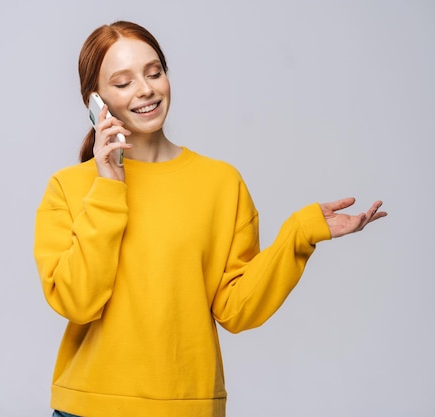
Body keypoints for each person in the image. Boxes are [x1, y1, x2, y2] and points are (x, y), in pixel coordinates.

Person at [33, 21, 387, 417]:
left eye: (154, 72)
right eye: (123, 82)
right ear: (95, 101)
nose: (146, 89)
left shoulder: (221, 182)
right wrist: (109, 186)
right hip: (89, 407)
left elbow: (236, 309)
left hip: (190, 406)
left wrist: (300, 234)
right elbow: (76, 302)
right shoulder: (69, 187)